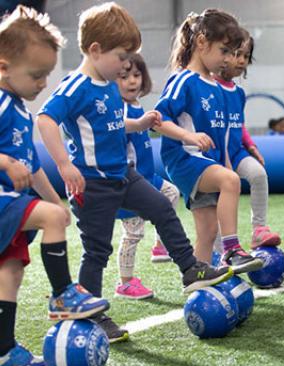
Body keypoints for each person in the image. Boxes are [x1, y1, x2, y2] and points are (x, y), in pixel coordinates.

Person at [37, 2, 232, 343]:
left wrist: (139, 123)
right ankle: (93, 317)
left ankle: (190, 269)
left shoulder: (110, 84)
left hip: (123, 175)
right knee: (96, 251)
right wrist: (65, 166)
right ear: (96, 50)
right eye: (121, 57)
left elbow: (112, 125)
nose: (126, 65)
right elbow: (45, 118)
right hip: (92, 184)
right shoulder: (75, 86)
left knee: (161, 207)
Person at [0, 6, 108, 366]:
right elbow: (16, 167)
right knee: (49, 219)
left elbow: (31, 170)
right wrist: (4, 162)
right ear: (3, 67)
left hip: (12, 201)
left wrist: (58, 201)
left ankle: (3, 350)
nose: (43, 83)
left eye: (47, 75)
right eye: (36, 75)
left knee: (11, 271)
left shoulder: (18, 110)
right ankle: (63, 295)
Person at [154, 9, 263, 272]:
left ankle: (196, 278)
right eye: (224, 51)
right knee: (231, 180)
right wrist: (187, 136)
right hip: (184, 159)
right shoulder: (184, 80)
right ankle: (232, 250)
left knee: (207, 231)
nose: (227, 59)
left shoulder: (215, 86)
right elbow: (158, 119)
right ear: (201, 42)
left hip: (205, 162)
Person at [114, 53, 181, 300]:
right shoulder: (117, 108)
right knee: (133, 232)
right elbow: (120, 127)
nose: (132, 81)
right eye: (124, 76)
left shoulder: (136, 103)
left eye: (136, 75)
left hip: (147, 176)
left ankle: (160, 244)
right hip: (129, 184)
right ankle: (125, 282)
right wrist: (141, 122)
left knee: (172, 192)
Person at [214, 29, 281, 251]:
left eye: (246, 56)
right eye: (237, 54)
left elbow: (238, 124)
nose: (242, 61)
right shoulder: (210, 87)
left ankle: (259, 230)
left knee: (259, 174)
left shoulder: (238, 92)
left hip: (236, 151)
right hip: (214, 156)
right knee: (216, 199)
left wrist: (251, 146)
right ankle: (217, 249)